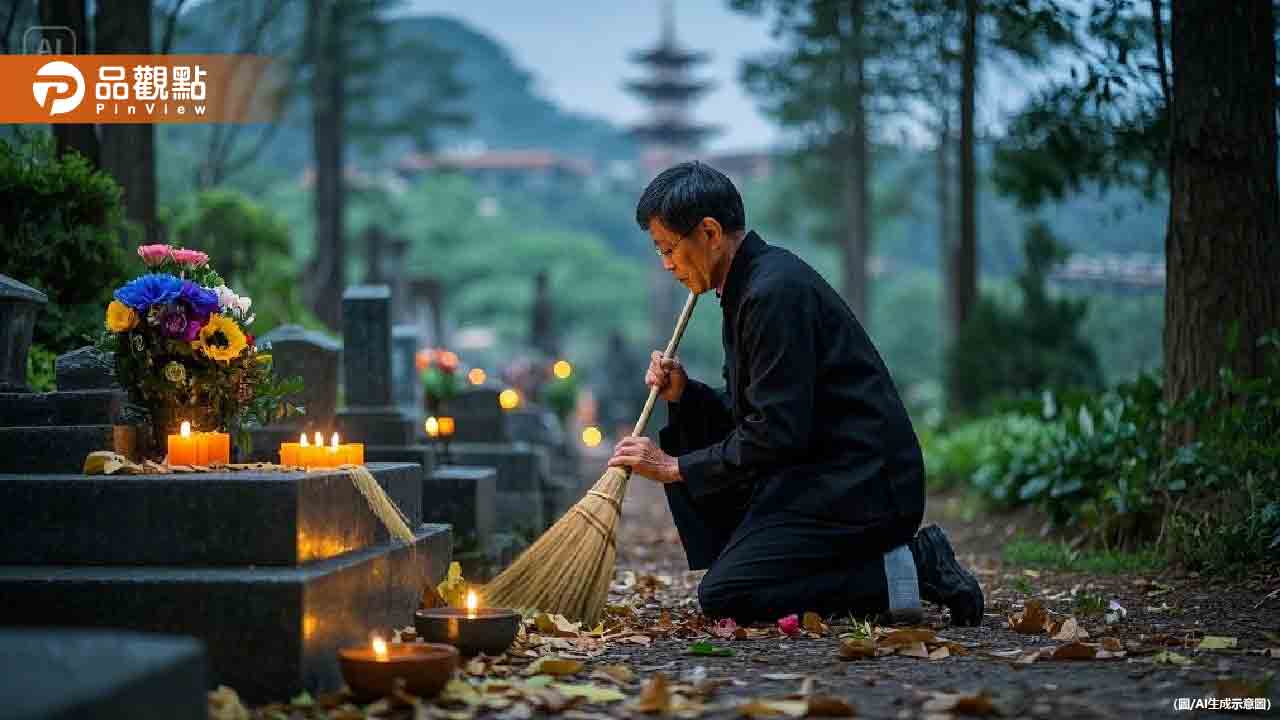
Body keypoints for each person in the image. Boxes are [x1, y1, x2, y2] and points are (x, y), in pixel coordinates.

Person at [607, 161, 984, 625]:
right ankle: (890, 565)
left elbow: (778, 432)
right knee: (735, 573)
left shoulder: (772, 292)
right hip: (818, 474)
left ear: (709, 233)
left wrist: (675, 467)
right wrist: (685, 394)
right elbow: (755, 413)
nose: (667, 265)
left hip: (862, 484)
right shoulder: (744, 288)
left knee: (730, 593)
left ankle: (914, 567)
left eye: (669, 248)